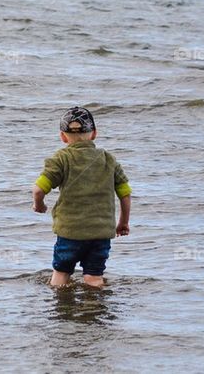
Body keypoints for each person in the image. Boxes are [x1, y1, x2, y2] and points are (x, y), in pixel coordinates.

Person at [32, 106, 132, 288]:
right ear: (94, 133)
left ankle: (61, 306)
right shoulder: (108, 159)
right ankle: (94, 308)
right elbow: (125, 194)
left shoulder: (61, 159)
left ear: (63, 136)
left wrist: (39, 205)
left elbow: (39, 190)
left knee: (61, 274)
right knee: (94, 277)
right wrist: (123, 222)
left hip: (69, 233)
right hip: (100, 234)